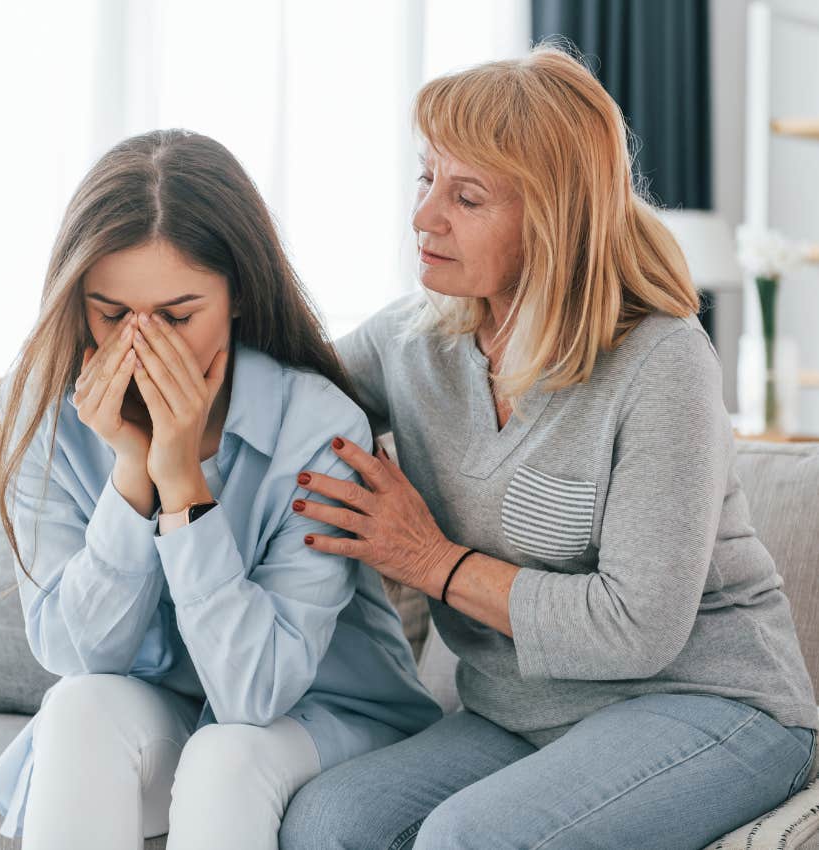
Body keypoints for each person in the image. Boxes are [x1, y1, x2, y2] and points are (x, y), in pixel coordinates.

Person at [271, 43, 818, 850]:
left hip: (710, 704)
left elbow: (637, 629)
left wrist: (430, 560)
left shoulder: (662, 363)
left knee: (470, 838)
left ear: (553, 219)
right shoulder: (412, 340)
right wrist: (67, 370)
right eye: (426, 179)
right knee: (327, 821)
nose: (424, 216)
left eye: (467, 196)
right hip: (519, 714)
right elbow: (271, 388)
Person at [0, 128, 441, 850]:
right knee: (77, 709)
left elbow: (253, 695)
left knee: (227, 756)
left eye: (177, 316)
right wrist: (133, 477)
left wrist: (182, 484)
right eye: (111, 314)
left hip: (319, 717)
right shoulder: (43, 412)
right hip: (165, 713)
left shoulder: (315, 428)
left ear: (238, 300)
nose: (141, 346)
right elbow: (79, 656)